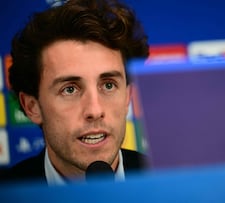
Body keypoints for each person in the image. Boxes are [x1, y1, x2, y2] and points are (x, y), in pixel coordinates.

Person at [5, 0, 149, 185]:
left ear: (128, 96)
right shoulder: (8, 192)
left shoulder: (171, 186)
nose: (95, 111)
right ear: (32, 107)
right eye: (70, 89)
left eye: (108, 85)